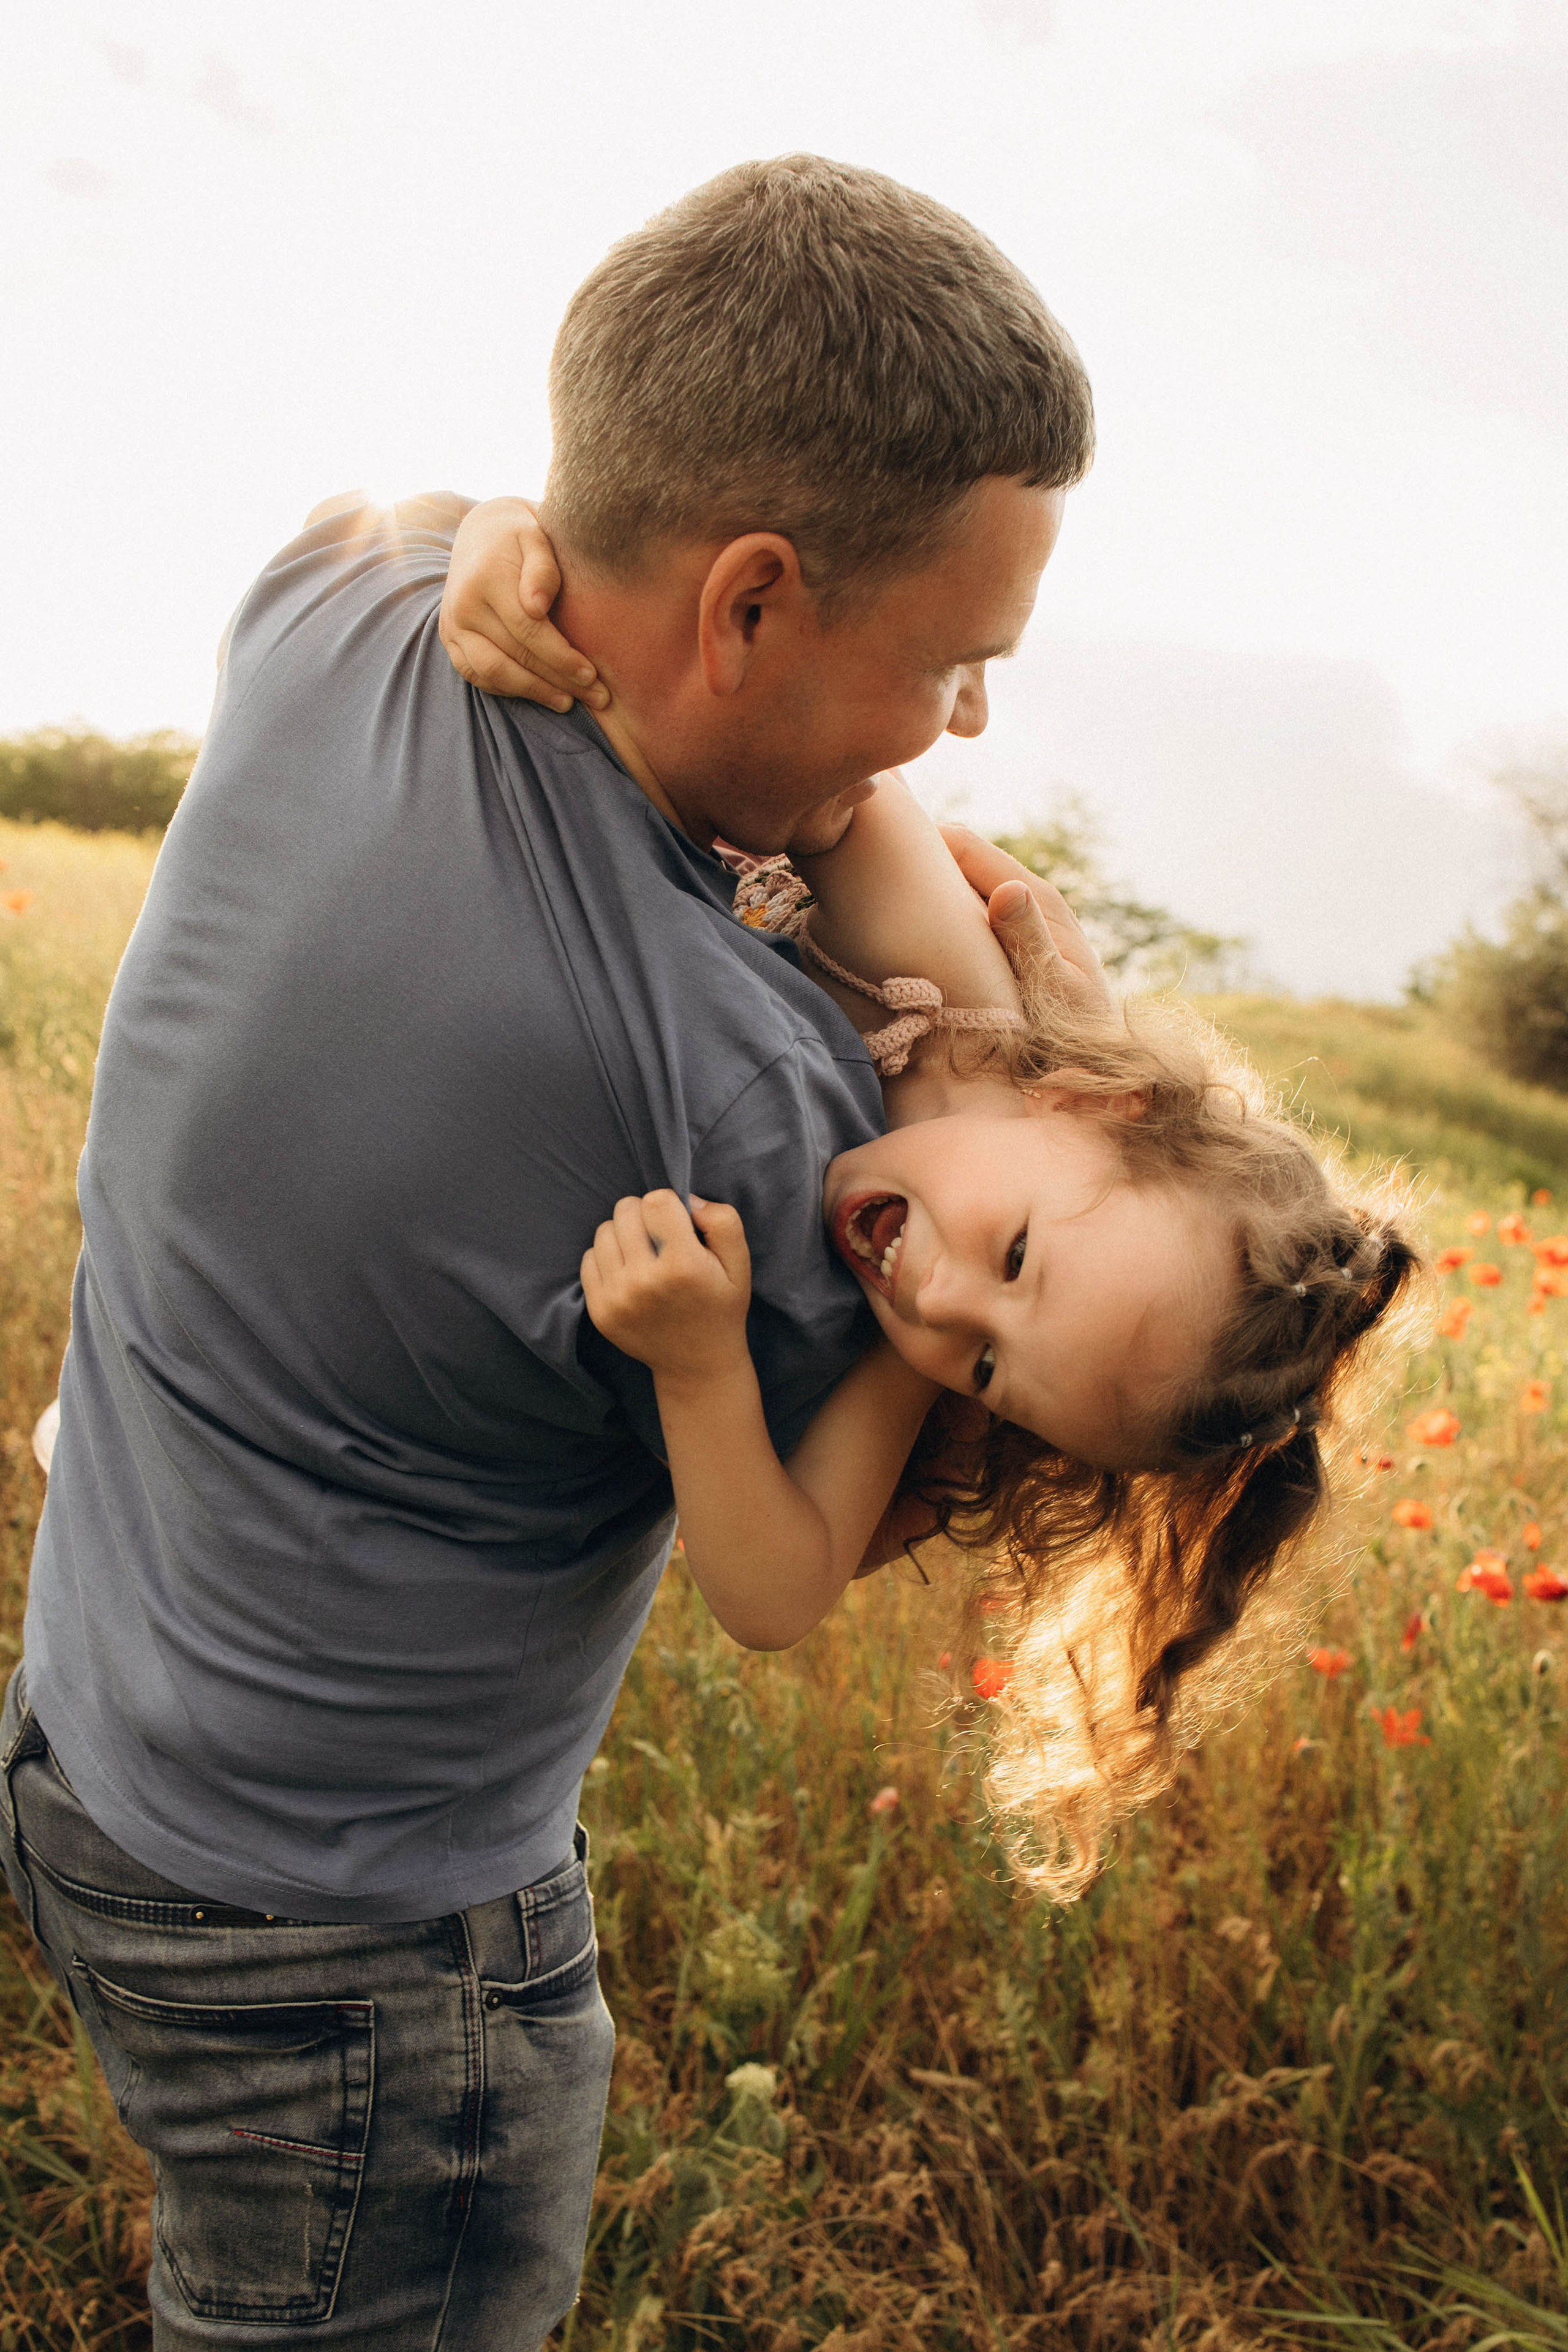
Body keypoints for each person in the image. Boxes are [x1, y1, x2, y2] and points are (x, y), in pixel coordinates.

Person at [0, 156, 1098, 2350]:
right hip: (354, 1956)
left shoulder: (331, 618)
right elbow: (1085, 1350)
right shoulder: (759, 1132)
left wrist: (507, 540)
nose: (965, 729)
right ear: (755, 601)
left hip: (98, 1768)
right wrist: (1043, 1044)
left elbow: (438, 524)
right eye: (957, 660)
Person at [444, 508, 1422, 1900]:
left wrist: (702, 1366)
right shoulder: (946, 986)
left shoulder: (921, 1348)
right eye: (1014, 1257)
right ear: (1094, 1103)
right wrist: (497, 545)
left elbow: (775, 1594)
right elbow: (758, 702)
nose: (937, 1304)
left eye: (988, 1373)